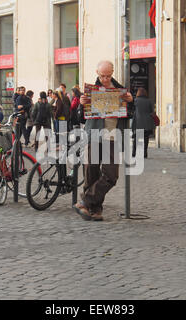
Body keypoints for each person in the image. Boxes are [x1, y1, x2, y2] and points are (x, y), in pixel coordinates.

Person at [74, 60, 134, 222]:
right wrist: (81, 105)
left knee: (111, 175)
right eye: (102, 76)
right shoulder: (90, 91)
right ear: (97, 73)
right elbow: (80, 117)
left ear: (112, 73)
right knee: (91, 172)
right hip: (93, 135)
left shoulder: (120, 91)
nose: (105, 79)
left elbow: (130, 115)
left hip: (112, 137)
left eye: (108, 76)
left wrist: (130, 102)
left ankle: (85, 202)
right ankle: (95, 210)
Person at [132, 88, 156, 159]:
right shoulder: (149, 101)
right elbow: (152, 111)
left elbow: (133, 110)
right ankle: (145, 154)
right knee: (146, 139)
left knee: (136, 139)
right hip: (147, 123)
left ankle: (134, 153)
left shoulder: (136, 101)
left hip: (138, 123)